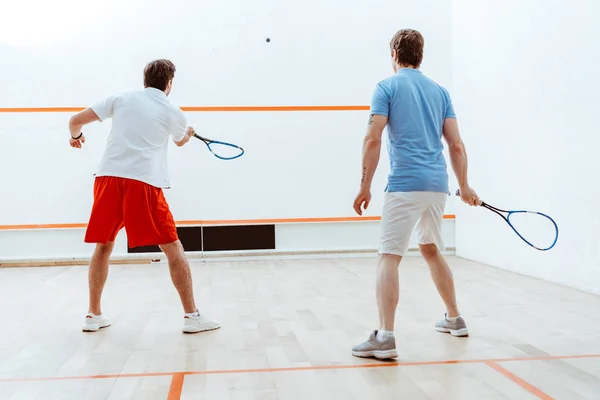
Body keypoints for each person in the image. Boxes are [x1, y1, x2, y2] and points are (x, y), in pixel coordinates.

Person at [351, 29, 479, 359]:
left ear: (394, 52)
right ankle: (454, 318)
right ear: (420, 55)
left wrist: (365, 185)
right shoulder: (440, 92)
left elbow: (373, 140)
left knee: (389, 256)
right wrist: (464, 185)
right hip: (436, 186)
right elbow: (456, 144)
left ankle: (385, 337)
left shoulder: (386, 87)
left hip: (405, 185)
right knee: (431, 248)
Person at [68, 59, 220, 334]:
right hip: (143, 184)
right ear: (169, 84)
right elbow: (178, 140)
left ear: (145, 80)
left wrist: (75, 137)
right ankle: (192, 316)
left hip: (107, 179)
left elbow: (75, 121)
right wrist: (187, 134)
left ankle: (93, 315)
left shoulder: (121, 98)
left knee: (103, 246)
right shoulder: (174, 112)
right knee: (173, 247)